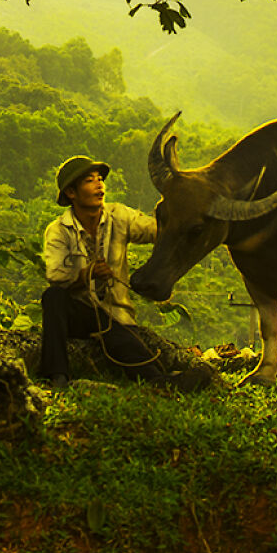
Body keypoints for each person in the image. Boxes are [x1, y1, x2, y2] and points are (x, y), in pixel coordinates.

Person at [37, 154, 209, 391]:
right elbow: (56, 276)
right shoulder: (58, 231)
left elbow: (156, 231)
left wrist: (188, 221)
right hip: (78, 314)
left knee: (125, 339)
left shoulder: (119, 216)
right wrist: (87, 274)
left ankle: (160, 381)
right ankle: (57, 377)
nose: (99, 185)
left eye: (99, 179)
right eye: (89, 180)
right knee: (53, 296)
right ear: (71, 193)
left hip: (115, 315)